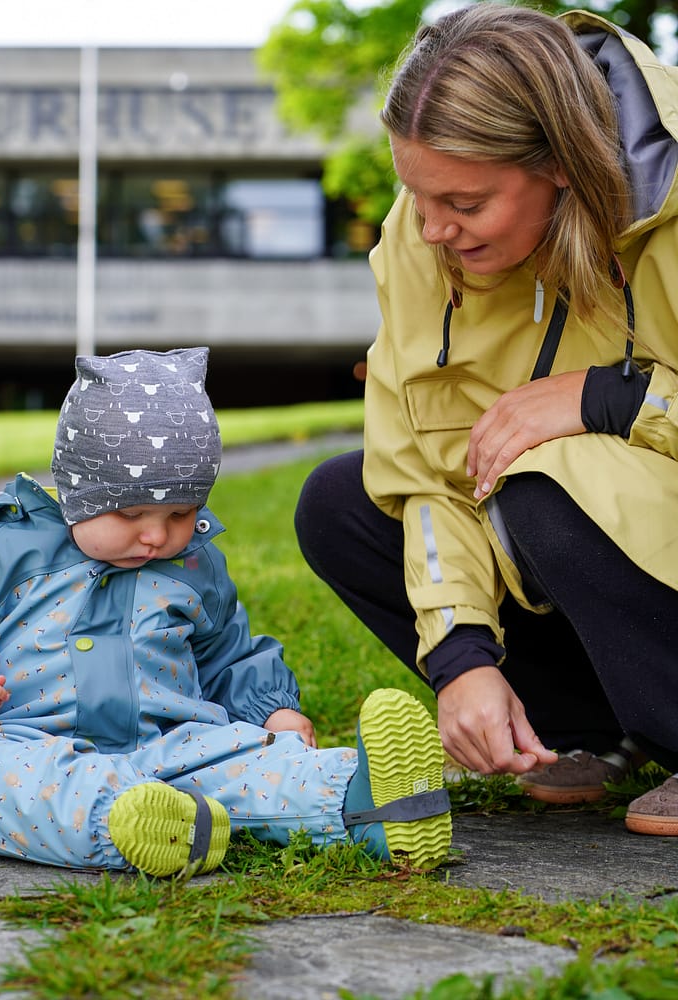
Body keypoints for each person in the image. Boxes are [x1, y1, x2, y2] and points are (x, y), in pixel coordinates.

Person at [294, 3, 678, 836]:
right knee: (342, 503)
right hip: (602, 540)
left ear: (564, 164)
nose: (431, 228)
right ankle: (589, 733)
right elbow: (430, 467)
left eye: (464, 202)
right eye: (416, 192)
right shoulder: (425, 232)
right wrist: (461, 654)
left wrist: (607, 399)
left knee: (546, 478)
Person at [0, 347, 451, 875]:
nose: (157, 536)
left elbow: (231, 652)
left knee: (252, 762)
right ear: (79, 492)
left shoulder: (196, 565)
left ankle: (364, 799)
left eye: (181, 513)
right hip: (31, 746)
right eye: (130, 516)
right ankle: (120, 823)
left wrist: (272, 713)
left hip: (174, 746)